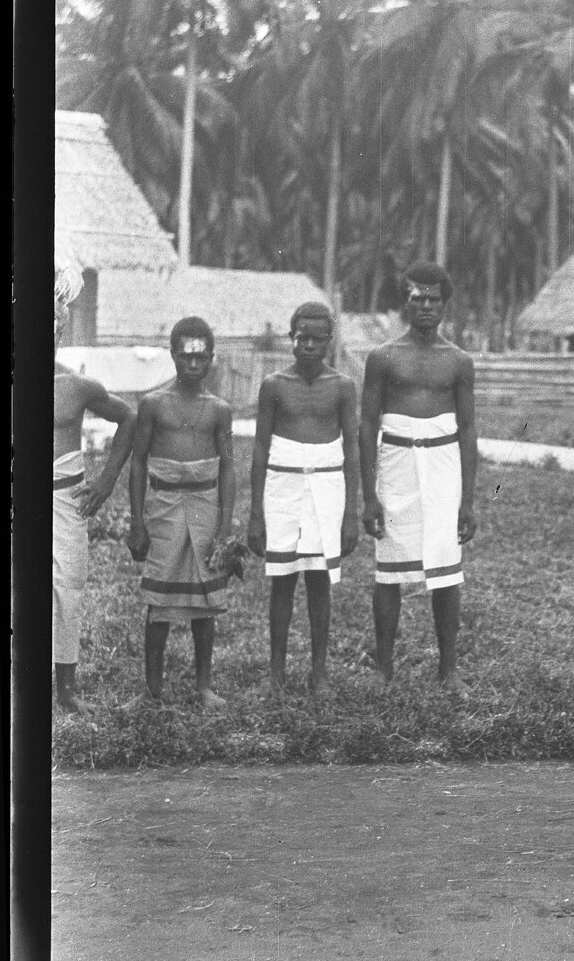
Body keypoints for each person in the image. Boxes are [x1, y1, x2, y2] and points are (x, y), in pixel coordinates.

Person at [360, 262, 478, 698]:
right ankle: (383, 668)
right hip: (396, 462)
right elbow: (367, 423)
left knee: (446, 570)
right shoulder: (384, 358)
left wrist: (468, 499)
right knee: (388, 569)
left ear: (445, 305)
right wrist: (368, 495)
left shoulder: (458, 361)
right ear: (404, 303)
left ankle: (449, 669)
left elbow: (467, 429)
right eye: (417, 298)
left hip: (444, 463)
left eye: (433, 299)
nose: (425, 306)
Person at [247, 302, 359, 695]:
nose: (309, 345)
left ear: (329, 341)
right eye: (302, 338)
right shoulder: (274, 385)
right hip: (283, 487)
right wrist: (255, 514)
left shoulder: (342, 386)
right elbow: (260, 449)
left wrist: (351, 514)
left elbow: (352, 450)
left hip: (327, 489)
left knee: (319, 580)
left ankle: (319, 673)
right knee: (282, 580)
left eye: (317, 338)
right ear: (291, 339)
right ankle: (275, 674)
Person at [127, 317, 235, 708]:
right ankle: (151, 690)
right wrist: (137, 521)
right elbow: (138, 462)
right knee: (160, 601)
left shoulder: (220, 410)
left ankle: (204, 687)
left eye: (201, 356)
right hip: (164, 507)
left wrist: (224, 527)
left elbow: (228, 466)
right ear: (173, 355)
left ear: (211, 359)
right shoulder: (153, 404)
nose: (193, 364)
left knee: (203, 601)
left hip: (205, 508)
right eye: (186, 356)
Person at [53, 266, 137, 716]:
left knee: (70, 583)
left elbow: (129, 418)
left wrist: (105, 482)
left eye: (50, 324)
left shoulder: (76, 385)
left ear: (60, 331)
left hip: (67, 499)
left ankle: (65, 688)